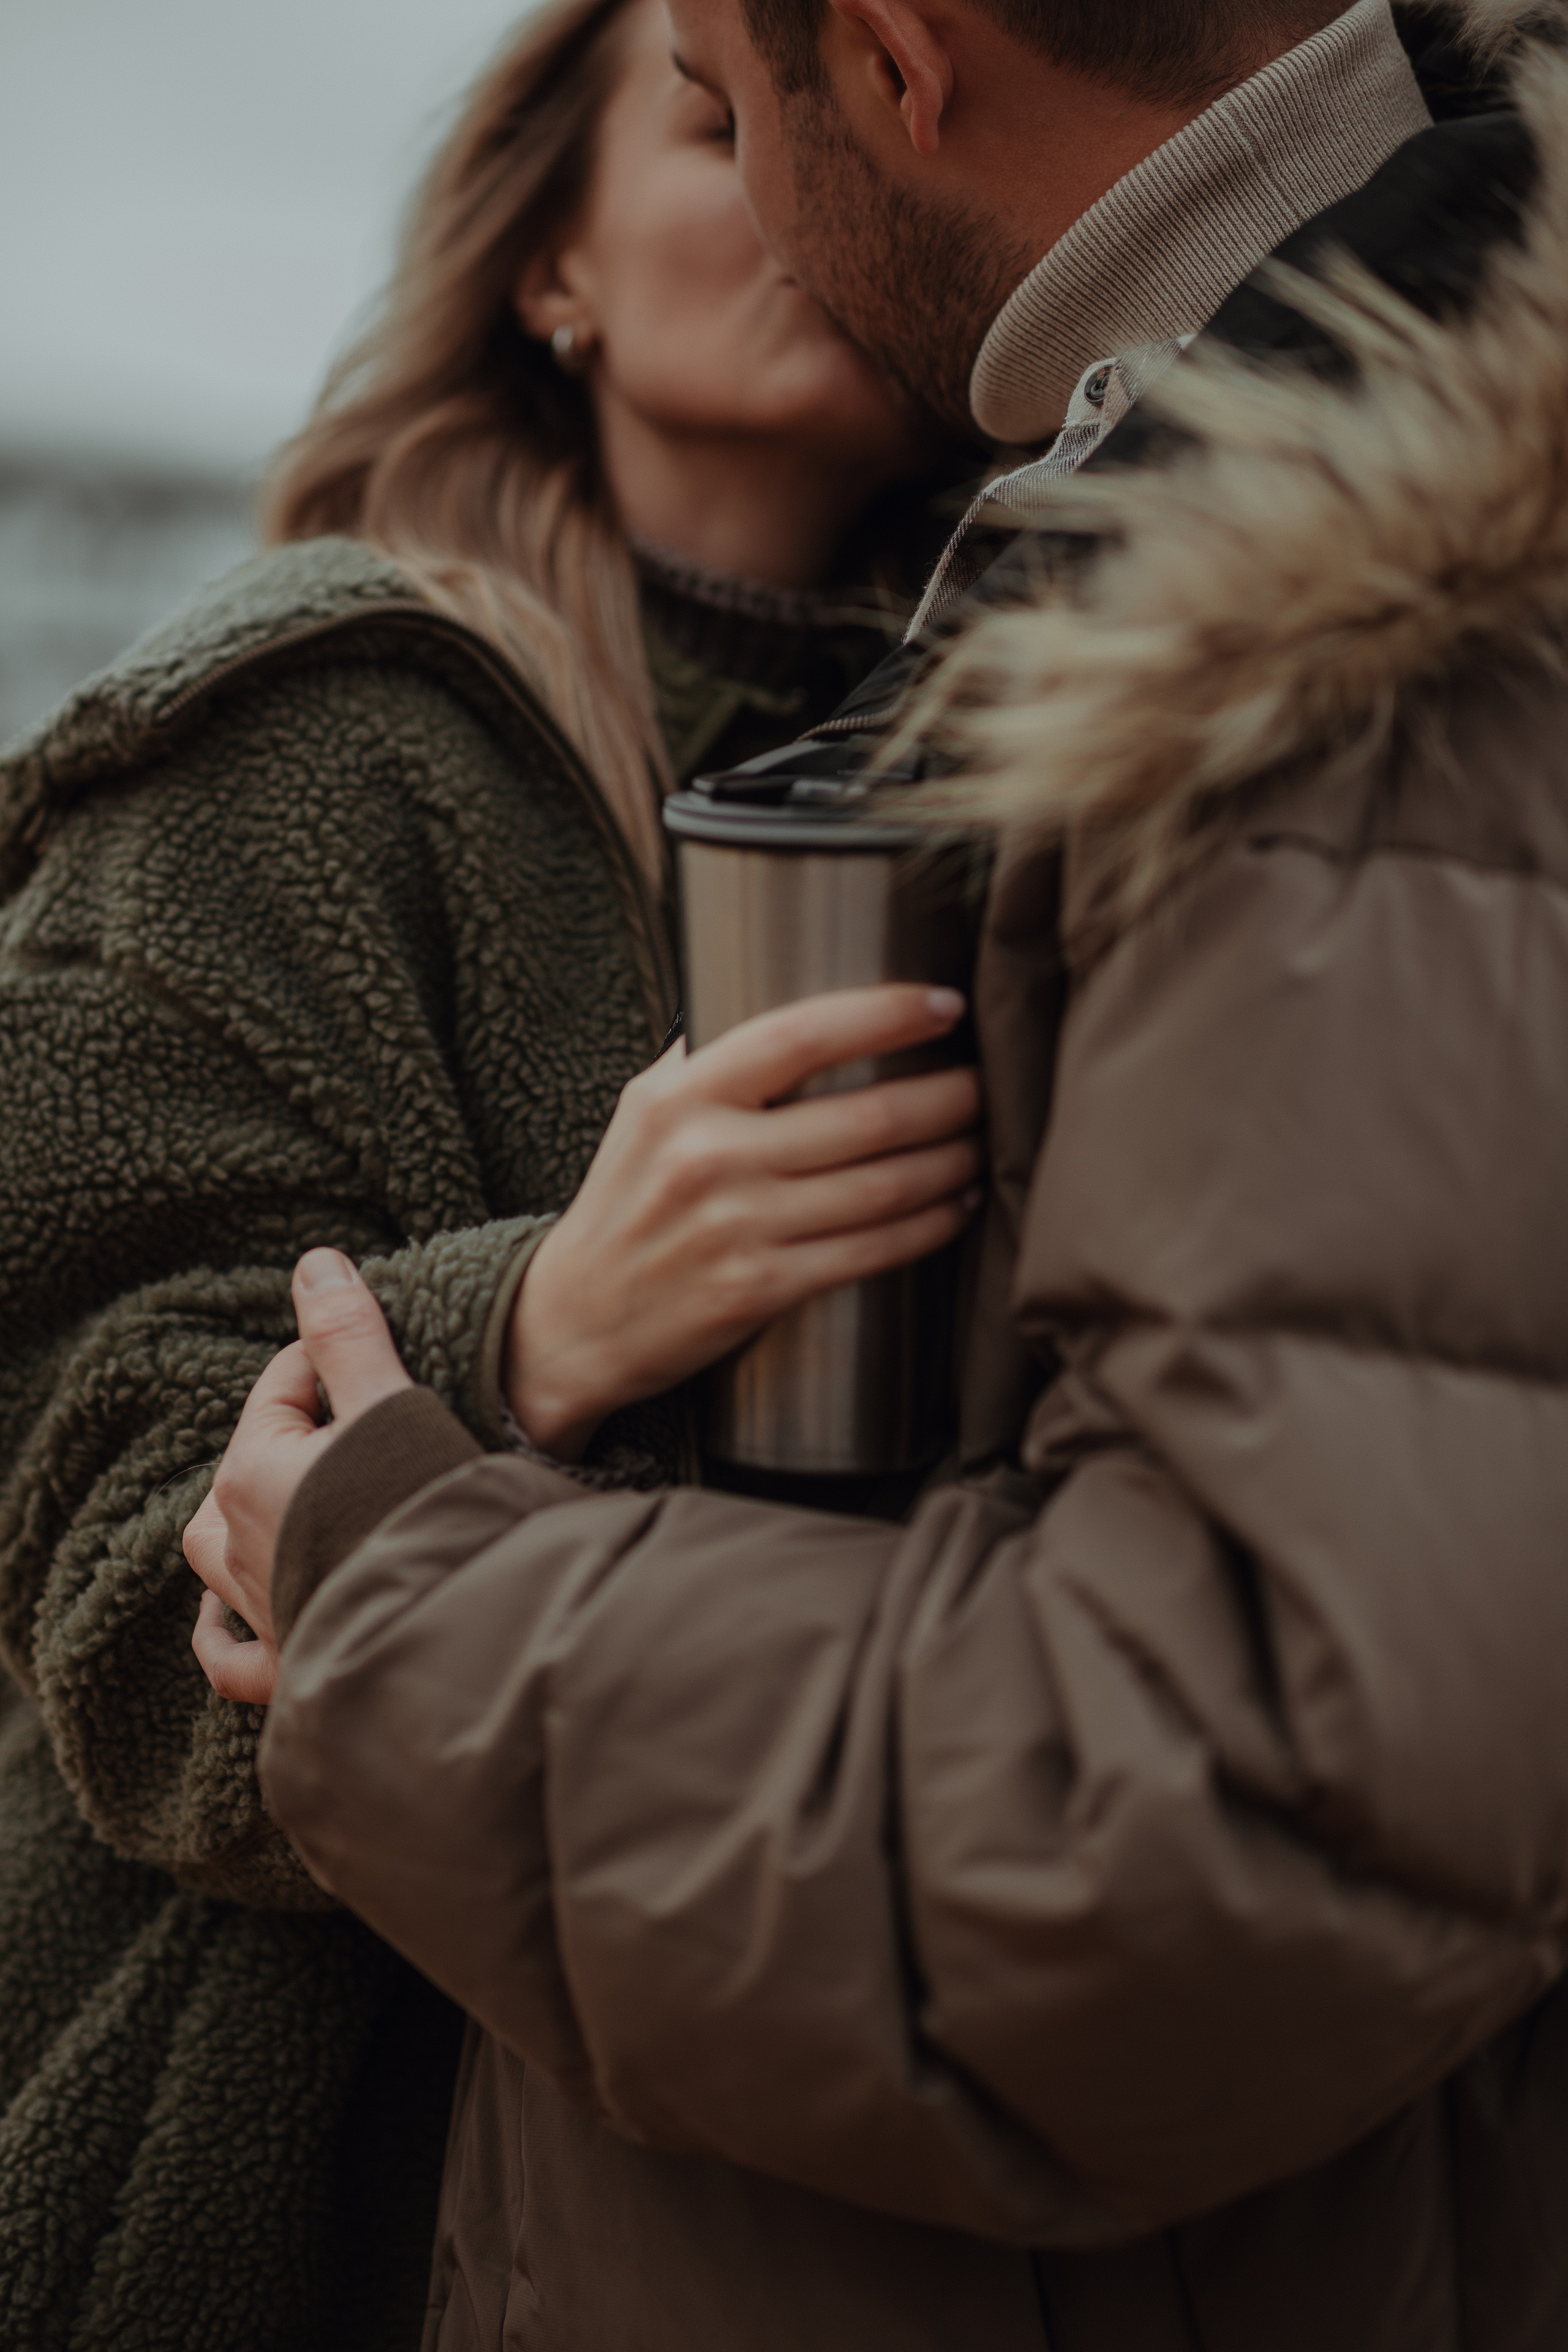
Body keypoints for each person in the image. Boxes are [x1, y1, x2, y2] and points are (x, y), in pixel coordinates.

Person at [194, 0, 1568, 2347]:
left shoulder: (1331, 623)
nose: (750, 200)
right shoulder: (1200, 510)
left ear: (902, 59)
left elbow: (1215, 1827)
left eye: (739, 97)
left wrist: (398, 1589)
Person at [0, 0, 983, 2341]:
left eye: (844, 121)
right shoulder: (304, 728)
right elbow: (115, 1589)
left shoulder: (1040, 749)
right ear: (547, 258)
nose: (789, 181)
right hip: (281, 2158)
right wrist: (533, 1323)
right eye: (713, 119)